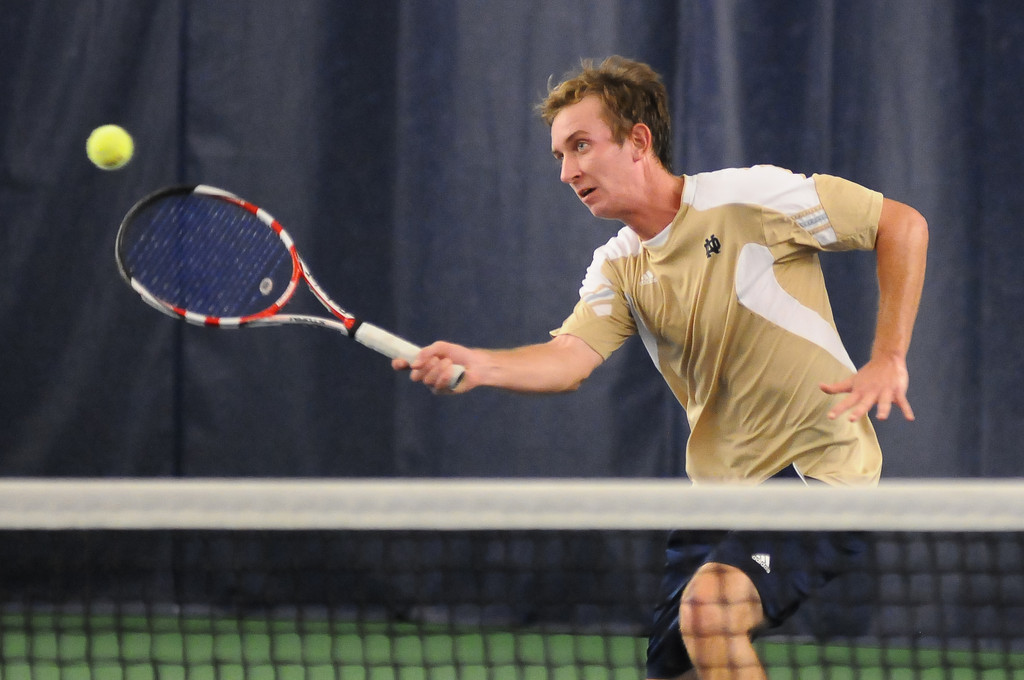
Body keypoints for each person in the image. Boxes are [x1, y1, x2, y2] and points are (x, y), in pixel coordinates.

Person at [392, 56, 928, 679]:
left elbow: (900, 224)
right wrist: (481, 365)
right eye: (559, 155)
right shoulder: (617, 268)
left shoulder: (749, 199)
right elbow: (570, 360)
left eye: (582, 146)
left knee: (710, 614)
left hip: (815, 471)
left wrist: (887, 356)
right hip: (722, 497)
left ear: (638, 141)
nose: (567, 171)